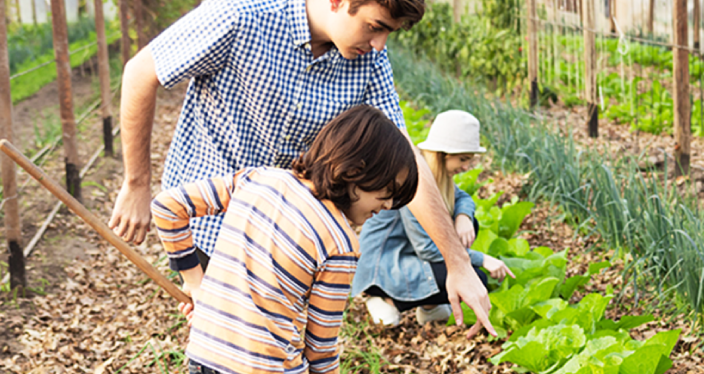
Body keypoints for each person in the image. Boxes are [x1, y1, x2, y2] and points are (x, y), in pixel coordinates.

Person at [109, 0, 497, 337]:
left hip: (286, 234)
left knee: (276, 354)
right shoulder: (241, 14)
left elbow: (404, 156)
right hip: (212, 224)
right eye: (375, 27)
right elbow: (142, 72)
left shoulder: (370, 62)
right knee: (235, 354)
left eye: (388, 34)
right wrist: (137, 184)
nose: (379, 45)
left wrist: (457, 262)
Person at [151, 106, 419, 374]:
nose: (389, 204)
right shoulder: (340, 243)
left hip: (205, 361)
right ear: (355, 170)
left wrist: (195, 283)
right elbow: (320, 345)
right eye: (388, 190)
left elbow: (168, 207)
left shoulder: (258, 178)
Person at [351, 110, 515, 326]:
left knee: (470, 228)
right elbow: (427, 249)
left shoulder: (435, 174)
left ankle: (428, 307)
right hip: (384, 265)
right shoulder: (414, 181)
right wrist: (482, 258)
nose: (467, 167)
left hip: (409, 252)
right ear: (442, 154)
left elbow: (461, 197)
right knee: (476, 276)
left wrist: (464, 216)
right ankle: (386, 299)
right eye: (463, 159)